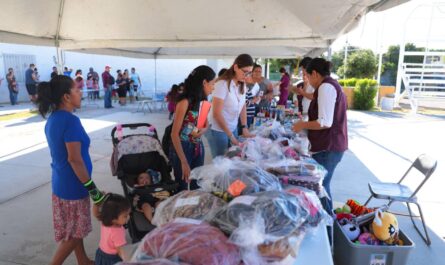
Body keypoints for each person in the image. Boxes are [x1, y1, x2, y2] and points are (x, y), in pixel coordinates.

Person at [35, 75, 105, 265]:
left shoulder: (53, 119)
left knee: (75, 228)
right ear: (66, 97)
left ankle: (82, 260)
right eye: (76, 90)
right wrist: (93, 189)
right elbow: (74, 159)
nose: (80, 93)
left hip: (60, 183)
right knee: (74, 234)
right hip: (74, 186)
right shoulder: (70, 121)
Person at [291, 58, 348, 214]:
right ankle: (327, 221)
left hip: (329, 147)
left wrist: (302, 125)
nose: (307, 80)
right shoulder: (327, 86)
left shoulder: (326, 87)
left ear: (314, 73)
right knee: (321, 186)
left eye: (308, 76)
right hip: (329, 146)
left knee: (320, 186)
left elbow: (324, 122)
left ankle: (328, 223)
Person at [170, 65, 215, 191]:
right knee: (182, 187)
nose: (213, 87)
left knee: (197, 185)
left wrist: (202, 130)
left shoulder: (204, 102)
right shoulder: (184, 102)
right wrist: (183, 162)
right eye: (212, 84)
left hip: (197, 147)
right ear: (204, 82)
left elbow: (205, 125)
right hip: (182, 148)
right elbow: (174, 134)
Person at [206, 54, 254, 158]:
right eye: (245, 72)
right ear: (236, 67)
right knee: (221, 162)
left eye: (249, 73)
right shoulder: (222, 84)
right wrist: (231, 136)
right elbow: (216, 114)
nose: (246, 76)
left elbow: (243, 107)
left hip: (232, 127)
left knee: (232, 159)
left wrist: (244, 127)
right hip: (217, 129)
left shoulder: (242, 85)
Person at [95, 193, 130, 265]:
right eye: (125, 216)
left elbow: (96, 213)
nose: (128, 217)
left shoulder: (105, 221)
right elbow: (121, 251)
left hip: (101, 253)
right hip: (112, 259)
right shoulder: (117, 232)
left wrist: (97, 202)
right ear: (114, 219)